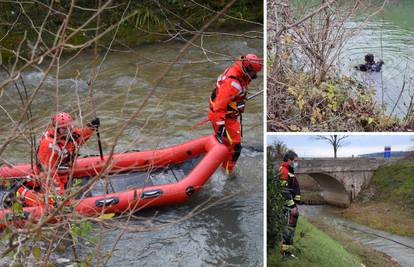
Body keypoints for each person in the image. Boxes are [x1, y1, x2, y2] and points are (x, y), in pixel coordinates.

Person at [16, 112, 100, 207]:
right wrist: (59, 194)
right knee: (53, 203)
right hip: (47, 177)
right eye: (64, 128)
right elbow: (49, 174)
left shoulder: (69, 133)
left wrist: (90, 128)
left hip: (63, 175)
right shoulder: (48, 145)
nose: (67, 130)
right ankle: (25, 194)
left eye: (69, 127)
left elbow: (79, 139)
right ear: (56, 128)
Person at [208, 54, 262, 175]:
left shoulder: (238, 72)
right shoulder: (232, 83)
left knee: (230, 145)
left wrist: (238, 102)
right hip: (224, 118)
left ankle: (222, 168)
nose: (255, 76)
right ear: (248, 69)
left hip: (228, 115)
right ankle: (226, 174)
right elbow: (219, 107)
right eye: (254, 73)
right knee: (235, 149)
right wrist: (220, 126)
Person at [278, 150, 301, 257]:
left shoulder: (289, 171)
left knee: (290, 231)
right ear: (289, 160)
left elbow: (292, 190)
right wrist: (292, 206)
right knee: (288, 231)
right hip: (288, 207)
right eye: (295, 161)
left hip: (291, 207)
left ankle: (288, 252)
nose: (296, 163)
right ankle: (286, 254)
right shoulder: (284, 171)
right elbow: (284, 191)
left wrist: (296, 205)